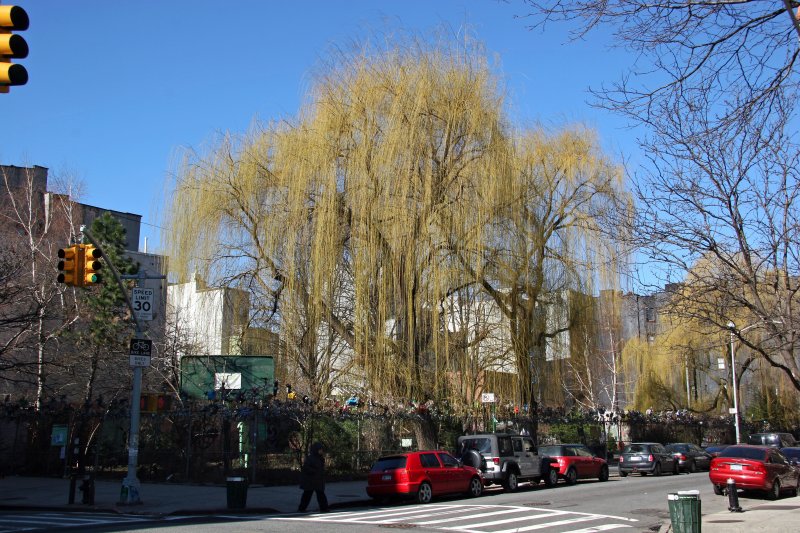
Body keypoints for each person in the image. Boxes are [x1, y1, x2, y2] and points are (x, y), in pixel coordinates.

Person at [298, 441, 329, 513]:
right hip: (310, 480)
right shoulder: (311, 458)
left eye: (322, 449)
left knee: (320, 494)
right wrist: (314, 471)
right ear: (316, 449)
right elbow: (306, 468)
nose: (321, 451)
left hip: (317, 480)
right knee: (307, 495)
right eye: (320, 449)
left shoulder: (320, 458)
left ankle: (324, 508)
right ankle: (302, 508)